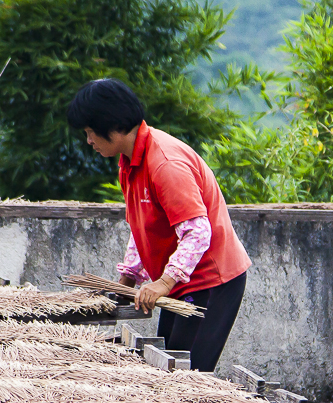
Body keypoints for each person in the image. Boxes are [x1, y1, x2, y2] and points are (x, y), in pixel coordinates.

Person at [67, 78, 249, 371]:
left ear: (112, 125)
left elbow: (197, 232)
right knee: (164, 367)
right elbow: (143, 228)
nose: (89, 141)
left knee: (187, 374)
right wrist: (126, 280)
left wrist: (164, 282)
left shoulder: (165, 163)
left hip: (211, 281)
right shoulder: (129, 163)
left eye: (90, 132)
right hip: (181, 282)